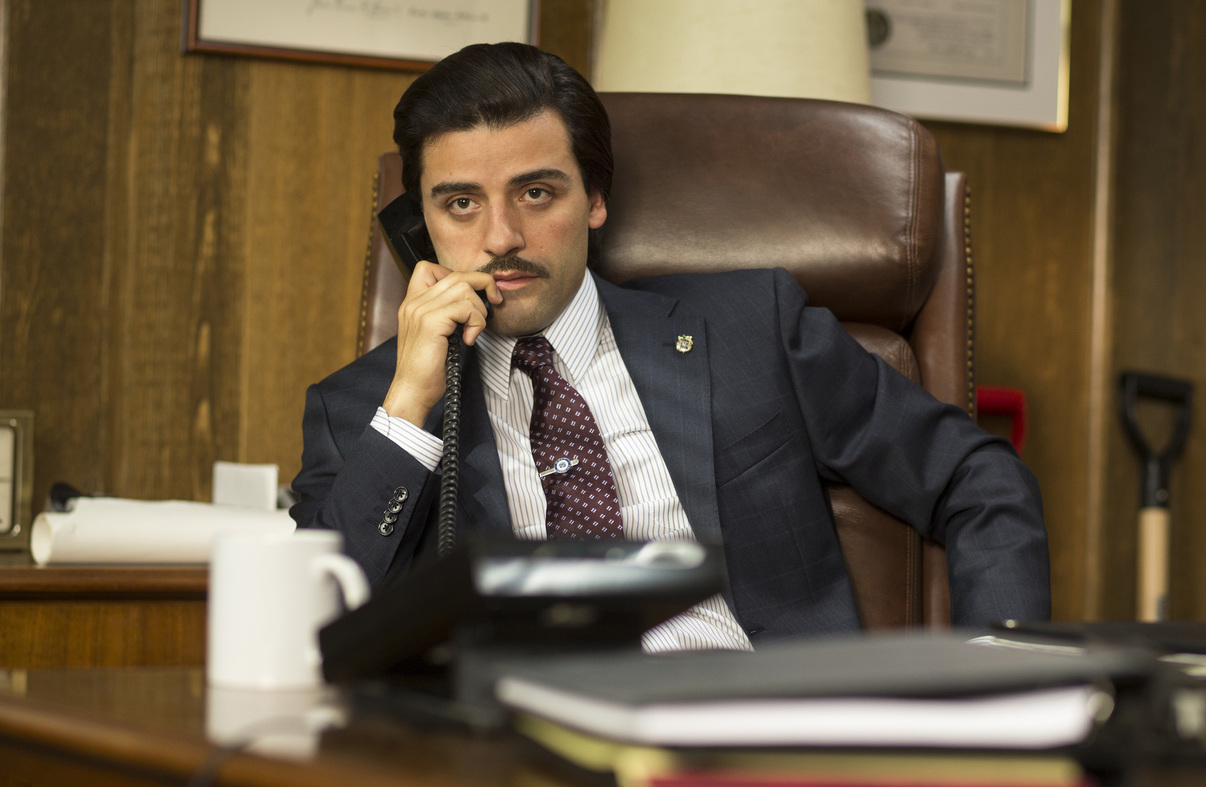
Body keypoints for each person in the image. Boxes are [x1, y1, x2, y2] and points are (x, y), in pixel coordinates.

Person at [290, 42, 1049, 652]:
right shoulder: (364, 410)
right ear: (421, 226)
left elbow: (974, 475)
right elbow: (318, 624)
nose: (501, 238)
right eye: (461, 203)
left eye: (536, 193)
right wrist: (410, 406)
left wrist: (998, 680)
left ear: (595, 198)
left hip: (766, 732)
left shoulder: (751, 326)